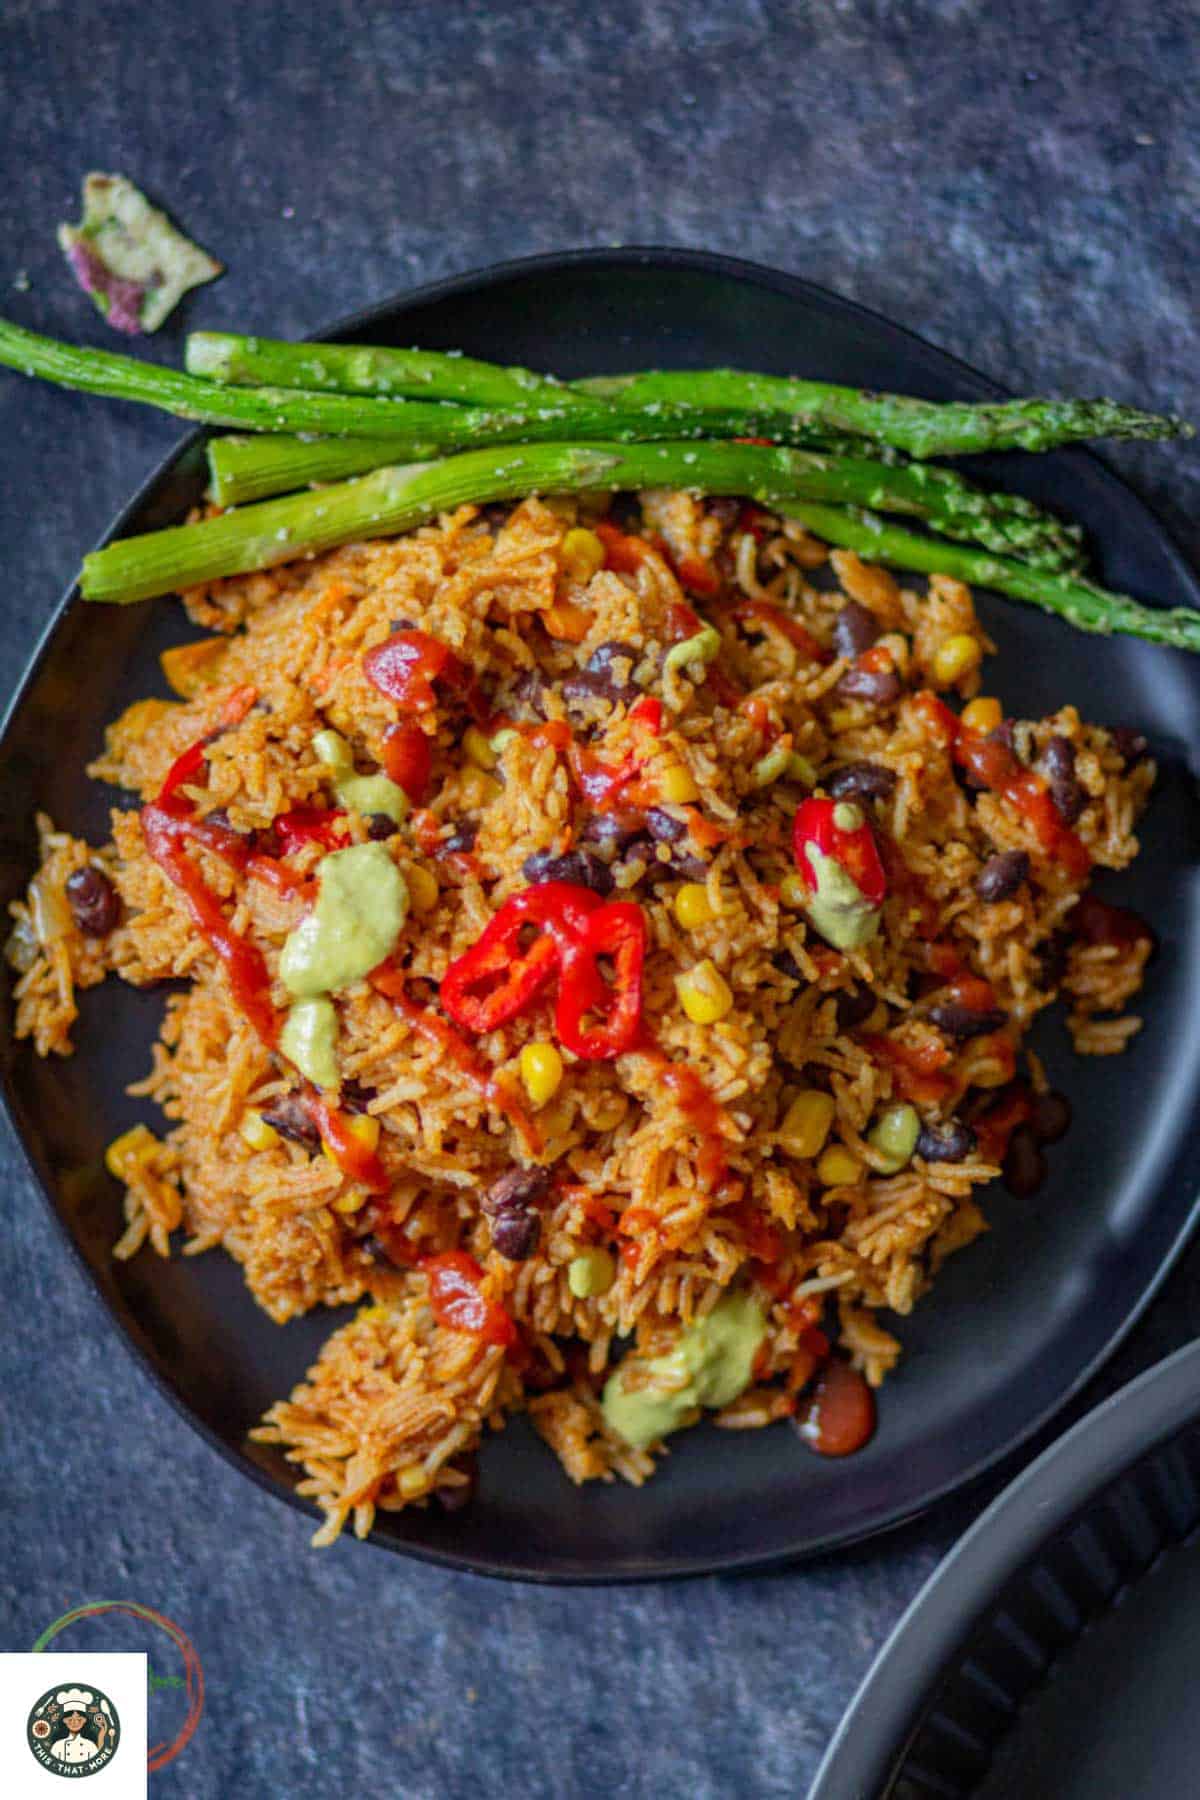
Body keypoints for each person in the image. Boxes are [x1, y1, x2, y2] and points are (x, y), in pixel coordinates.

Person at [50, 1688, 103, 1764]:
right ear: (64, 1721)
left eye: (79, 1720)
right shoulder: (58, 1746)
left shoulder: (90, 1745)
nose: (75, 1723)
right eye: (70, 1720)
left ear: (85, 1721)